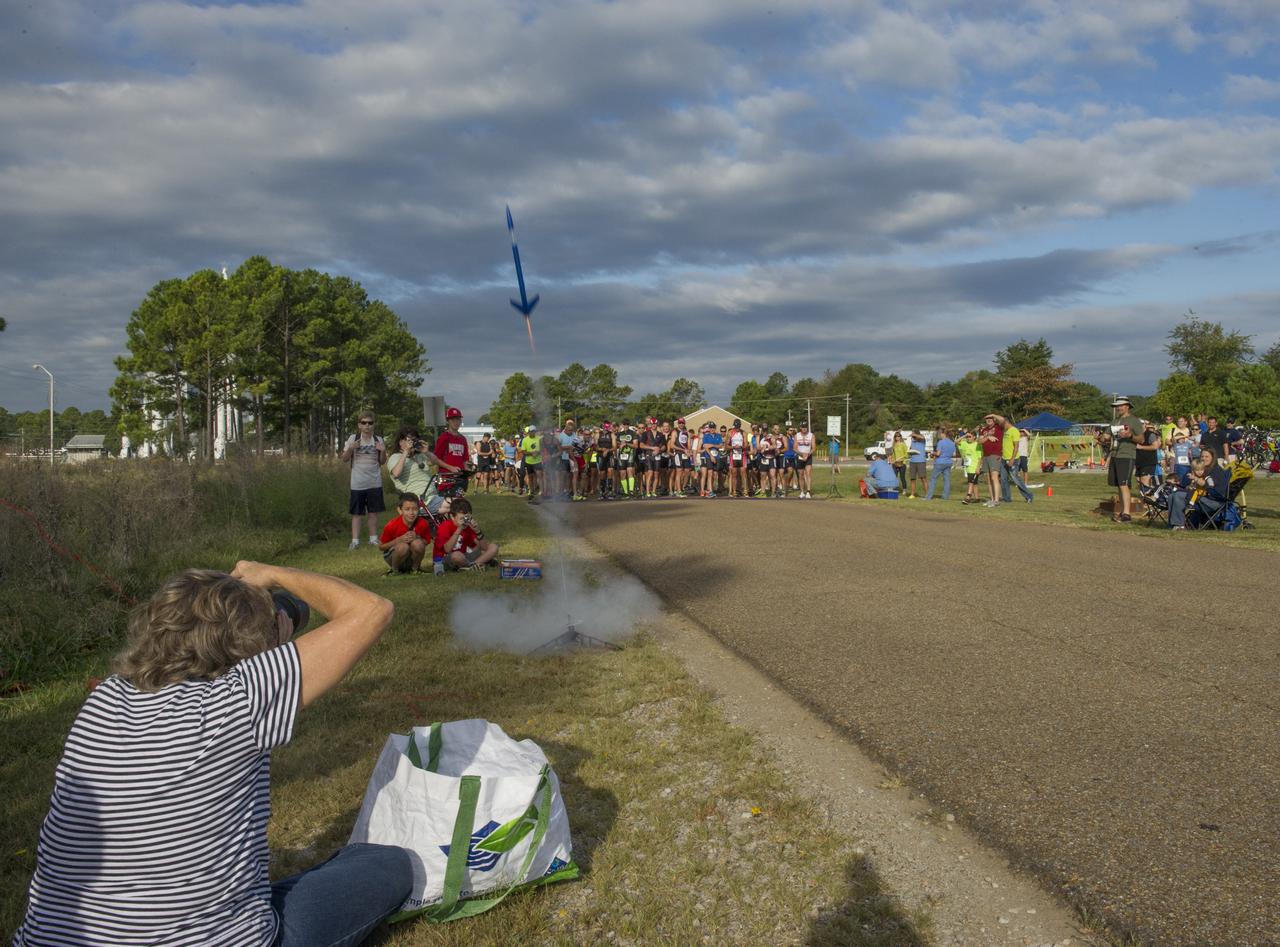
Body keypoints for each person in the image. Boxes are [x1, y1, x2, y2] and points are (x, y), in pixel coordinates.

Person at [13, 564, 408, 947]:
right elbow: (372, 609)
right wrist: (270, 575)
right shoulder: (236, 701)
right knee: (387, 866)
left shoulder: (105, 699)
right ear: (250, 647)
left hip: (49, 938)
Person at [341, 412, 387, 550]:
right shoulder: (352, 439)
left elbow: (382, 462)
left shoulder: (378, 439)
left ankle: (373, 539)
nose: (367, 425)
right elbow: (344, 459)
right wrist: (350, 448)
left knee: (373, 512)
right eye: (364, 423)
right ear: (359, 425)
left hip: (374, 482)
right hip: (357, 483)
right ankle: (355, 541)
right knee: (357, 513)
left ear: (373, 424)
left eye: (370, 423)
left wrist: (383, 451)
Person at [386, 426, 445, 515]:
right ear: (401, 442)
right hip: (420, 501)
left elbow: (435, 461)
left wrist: (426, 451)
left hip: (433, 496)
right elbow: (396, 473)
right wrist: (406, 452)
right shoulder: (395, 457)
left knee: (457, 509)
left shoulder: (419, 455)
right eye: (409, 440)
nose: (413, 442)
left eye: (415, 439)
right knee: (457, 505)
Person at [1168, 448, 1229, 529]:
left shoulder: (1216, 471)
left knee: (1179, 496)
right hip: (1197, 496)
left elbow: (1211, 487)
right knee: (1172, 495)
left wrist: (1196, 480)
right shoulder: (1198, 468)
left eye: (1207, 456)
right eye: (1202, 456)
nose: (1204, 458)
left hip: (1212, 501)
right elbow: (1184, 483)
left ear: (1213, 458)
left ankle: (1179, 525)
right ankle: (1173, 525)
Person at [432, 498, 499, 572]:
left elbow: (484, 548)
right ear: (452, 516)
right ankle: (478, 563)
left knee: (493, 547)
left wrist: (478, 531)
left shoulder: (467, 527)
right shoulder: (445, 526)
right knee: (456, 555)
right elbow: (447, 549)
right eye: (462, 518)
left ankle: (472, 566)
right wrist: (459, 529)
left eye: (467, 518)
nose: (465, 521)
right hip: (443, 560)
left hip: (464, 557)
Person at [1106, 396, 1143, 523]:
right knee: (1119, 485)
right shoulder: (1115, 421)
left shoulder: (1134, 421)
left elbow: (1141, 439)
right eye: (1117, 406)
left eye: (1120, 405)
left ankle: (1127, 514)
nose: (1118, 408)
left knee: (1124, 484)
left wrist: (1130, 435)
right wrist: (1101, 438)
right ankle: (1122, 511)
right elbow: (1106, 435)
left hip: (1127, 455)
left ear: (1127, 406)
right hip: (1115, 454)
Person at [379, 492, 432, 573]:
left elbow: (427, 541)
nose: (411, 513)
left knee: (418, 543)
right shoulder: (392, 525)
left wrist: (417, 537)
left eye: (414, 509)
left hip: (411, 557)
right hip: (394, 556)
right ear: (400, 510)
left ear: (418, 509)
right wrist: (397, 540)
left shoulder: (423, 523)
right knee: (403, 547)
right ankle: (394, 570)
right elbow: (381, 547)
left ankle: (415, 569)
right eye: (407, 509)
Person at [432, 407, 470, 494]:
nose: (456, 422)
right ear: (448, 421)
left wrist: (467, 473)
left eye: (458, 419)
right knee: (447, 505)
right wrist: (451, 468)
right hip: (446, 479)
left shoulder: (462, 439)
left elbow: (465, 460)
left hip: (460, 478)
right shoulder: (444, 437)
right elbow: (435, 459)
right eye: (453, 419)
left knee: (459, 505)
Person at [999, 419, 1033, 504]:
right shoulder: (1005, 431)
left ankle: (1029, 496)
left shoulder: (1014, 431)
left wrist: (1012, 459)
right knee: (1003, 479)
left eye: (1002, 423)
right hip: (1004, 459)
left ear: (1007, 422)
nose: (1001, 425)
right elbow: (1006, 445)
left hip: (1012, 459)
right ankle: (1007, 498)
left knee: (1016, 479)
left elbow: (1016, 447)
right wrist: (1001, 456)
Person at [977, 414, 1005, 507]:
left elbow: (1002, 419)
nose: (988, 420)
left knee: (994, 477)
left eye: (990, 418)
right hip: (986, 455)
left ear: (994, 419)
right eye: (986, 419)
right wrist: (988, 437)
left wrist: (993, 414)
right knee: (988, 479)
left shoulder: (998, 427)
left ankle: (996, 500)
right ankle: (992, 499)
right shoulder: (984, 430)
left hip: (995, 454)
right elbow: (979, 441)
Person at [925, 427, 957, 500]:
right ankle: (945, 497)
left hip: (940, 462)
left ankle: (928, 496)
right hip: (948, 462)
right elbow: (954, 454)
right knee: (947, 480)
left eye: (940, 433)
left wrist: (933, 453)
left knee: (933, 479)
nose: (939, 435)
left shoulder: (941, 442)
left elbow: (938, 453)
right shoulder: (952, 443)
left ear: (943, 434)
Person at [517, 424, 543, 502]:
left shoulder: (539, 439)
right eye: (531, 431)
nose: (532, 433)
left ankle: (541, 492)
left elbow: (542, 449)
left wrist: (537, 452)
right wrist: (532, 453)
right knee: (530, 477)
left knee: (539, 476)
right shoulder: (525, 440)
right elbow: (523, 451)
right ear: (529, 432)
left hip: (538, 461)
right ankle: (531, 491)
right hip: (529, 462)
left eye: (533, 431)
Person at [1135, 420, 1162, 489]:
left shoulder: (1150, 434)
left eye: (1141, 424)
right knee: (1139, 482)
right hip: (1138, 462)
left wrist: (1141, 447)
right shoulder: (1135, 435)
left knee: (1145, 483)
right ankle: (1146, 497)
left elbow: (1155, 446)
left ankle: (1148, 498)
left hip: (1148, 462)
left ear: (1145, 425)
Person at [726, 419, 750, 498]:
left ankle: (745, 491)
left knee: (743, 473)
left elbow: (746, 445)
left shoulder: (744, 433)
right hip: (733, 455)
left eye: (738, 427)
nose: (737, 429)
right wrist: (733, 447)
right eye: (736, 427)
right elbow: (726, 446)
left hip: (742, 454)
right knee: (734, 473)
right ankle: (734, 491)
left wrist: (741, 447)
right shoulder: (730, 433)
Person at [957, 430, 982, 503]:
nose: (968, 438)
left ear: (974, 437)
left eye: (970, 437)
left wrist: (978, 467)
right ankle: (977, 498)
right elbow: (956, 441)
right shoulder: (964, 443)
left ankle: (968, 497)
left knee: (971, 482)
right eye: (967, 437)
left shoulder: (978, 444)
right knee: (974, 483)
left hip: (974, 467)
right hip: (968, 467)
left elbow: (980, 457)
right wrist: (964, 435)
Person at [794, 422, 815, 498]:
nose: (804, 428)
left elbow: (814, 448)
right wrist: (801, 454)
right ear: (800, 428)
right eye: (803, 427)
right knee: (801, 475)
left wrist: (808, 454)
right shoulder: (797, 436)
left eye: (805, 427)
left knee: (808, 473)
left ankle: (808, 491)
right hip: (800, 457)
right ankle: (802, 491)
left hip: (808, 456)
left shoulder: (811, 435)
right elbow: (795, 448)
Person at [906, 431, 928, 499]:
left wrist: (914, 434)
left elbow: (922, 437)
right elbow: (910, 449)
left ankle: (927, 494)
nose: (913, 437)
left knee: (923, 478)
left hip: (921, 461)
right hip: (912, 461)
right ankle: (912, 494)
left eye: (914, 435)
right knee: (912, 478)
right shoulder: (912, 441)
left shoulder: (922, 440)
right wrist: (909, 452)